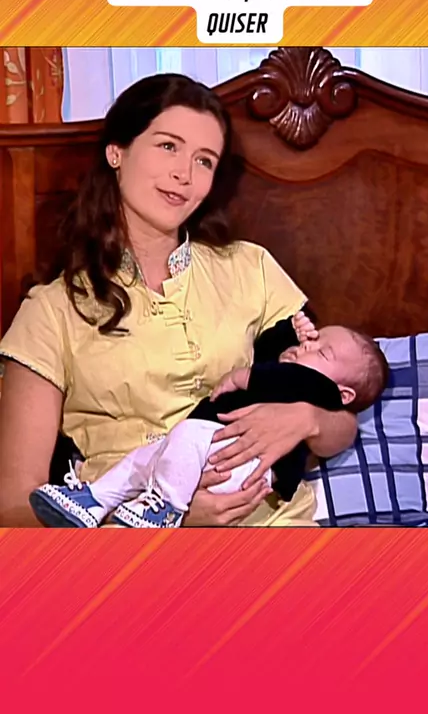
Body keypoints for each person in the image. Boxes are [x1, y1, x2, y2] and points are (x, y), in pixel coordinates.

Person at [0, 73, 358, 528]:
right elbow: (12, 509)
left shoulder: (252, 268)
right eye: (168, 146)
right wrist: (176, 520)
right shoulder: (51, 311)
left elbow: (341, 422)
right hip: (128, 543)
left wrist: (307, 420)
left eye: (204, 161)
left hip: (278, 530)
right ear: (117, 151)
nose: (184, 175)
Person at [29, 321, 388, 528]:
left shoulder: (315, 387)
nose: (306, 346)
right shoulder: (293, 364)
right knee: (146, 457)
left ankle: (165, 507)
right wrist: (289, 330)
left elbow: (288, 381)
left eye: (320, 350)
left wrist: (246, 379)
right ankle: (95, 499)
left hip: (247, 467)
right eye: (312, 338)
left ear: (343, 394)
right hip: (208, 447)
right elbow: (268, 350)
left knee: (186, 434)